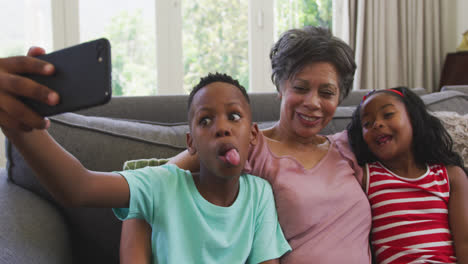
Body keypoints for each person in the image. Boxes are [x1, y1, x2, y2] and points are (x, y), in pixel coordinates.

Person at [121, 26, 373, 263]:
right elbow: (151, 183)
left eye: (327, 93)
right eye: (300, 88)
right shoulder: (247, 144)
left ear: (340, 98)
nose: (313, 102)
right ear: (280, 86)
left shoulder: (347, 147)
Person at [0, 69, 291, 263]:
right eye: (206, 120)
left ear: (253, 135)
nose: (222, 128)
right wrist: (19, 127)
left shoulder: (259, 195)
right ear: (190, 143)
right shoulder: (161, 184)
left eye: (234, 116)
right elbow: (79, 187)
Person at [347, 87, 468, 263]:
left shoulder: (451, 176)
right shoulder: (366, 177)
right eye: (367, 123)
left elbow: (464, 243)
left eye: (388, 114)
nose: (377, 124)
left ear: (413, 118)